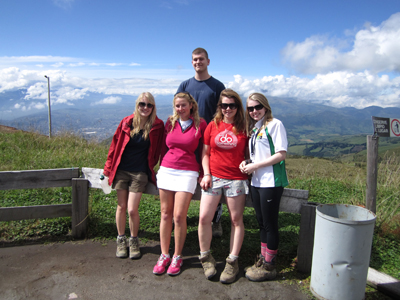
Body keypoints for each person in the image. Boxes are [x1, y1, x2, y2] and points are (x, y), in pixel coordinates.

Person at [103, 92, 164, 259]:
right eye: (142, 104)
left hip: (140, 173)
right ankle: (121, 239)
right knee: (121, 207)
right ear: (137, 105)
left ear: (153, 107)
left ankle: (134, 239)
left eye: (149, 105)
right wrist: (108, 168)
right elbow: (114, 146)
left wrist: (162, 168)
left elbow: (161, 149)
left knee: (132, 209)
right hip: (121, 170)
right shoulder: (126, 122)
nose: (145, 108)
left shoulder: (157, 126)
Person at [153, 92, 207, 276]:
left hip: (188, 171)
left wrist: (202, 173)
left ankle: (177, 256)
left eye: (183, 105)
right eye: (177, 106)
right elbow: (163, 146)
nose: (180, 109)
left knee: (178, 216)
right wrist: (157, 166)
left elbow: (203, 150)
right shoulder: (170, 122)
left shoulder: (201, 124)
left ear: (191, 105)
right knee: (165, 213)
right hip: (167, 169)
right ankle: (164, 254)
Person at [198, 89, 249, 284]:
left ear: (238, 107)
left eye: (232, 105)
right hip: (215, 177)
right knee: (204, 217)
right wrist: (207, 174)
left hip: (236, 178)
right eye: (224, 105)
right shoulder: (213, 125)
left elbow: (248, 152)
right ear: (219, 107)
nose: (228, 109)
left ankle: (232, 261)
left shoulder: (244, 127)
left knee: (236, 219)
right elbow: (205, 153)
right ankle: (205, 257)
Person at [239, 92, 289, 282]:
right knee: (261, 223)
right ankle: (263, 259)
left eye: (257, 107)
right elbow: (258, 155)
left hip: (271, 181)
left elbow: (281, 154)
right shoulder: (255, 129)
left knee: (270, 223)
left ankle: (270, 265)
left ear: (265, 107)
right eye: (250, 108)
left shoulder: (275, 125)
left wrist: (255, 166)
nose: (254, 111)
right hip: (257, 181)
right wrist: (246, 163)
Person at [177, 47, 226, 238]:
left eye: (201, 59)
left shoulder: (217, 86)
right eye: (195, 60)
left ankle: (216, 219)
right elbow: (178, 109)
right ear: (192, 63)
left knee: (213, 177)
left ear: (208, 61)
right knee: (188, 175)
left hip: (210, 140)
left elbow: (224, 112)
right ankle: (180, 216)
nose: (198, 62)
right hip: (188, 140)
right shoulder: (185, 85)